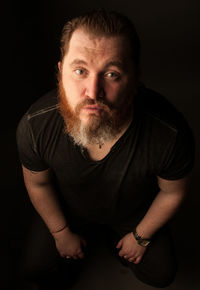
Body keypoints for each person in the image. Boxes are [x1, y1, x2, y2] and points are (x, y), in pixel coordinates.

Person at [16, 9, 195, 290]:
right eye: (80, 71)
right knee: (34, 268)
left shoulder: (169, 133)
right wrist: (60, 232)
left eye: (112, 74)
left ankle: (113, 243)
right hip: (69, 211)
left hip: (131, 214)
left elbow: (174, 191)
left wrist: (140, 236)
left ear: (135, 79)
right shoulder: (35, 125)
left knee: (161, 273)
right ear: (61, 72)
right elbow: (38, 183)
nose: (93, 91)